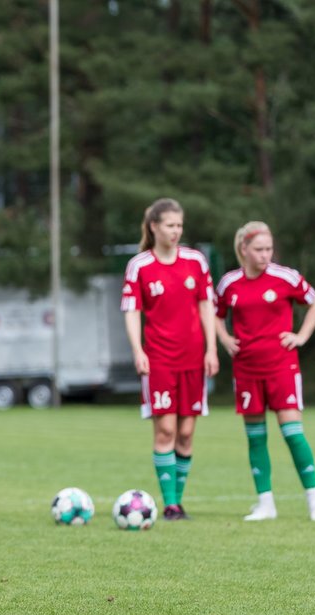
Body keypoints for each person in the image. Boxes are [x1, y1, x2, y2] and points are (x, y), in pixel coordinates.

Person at [215, 221, 315, 522]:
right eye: (259, 249)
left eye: (269, 249)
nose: (266, 255)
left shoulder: (285, 277)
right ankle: (266, 503)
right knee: (256, 437)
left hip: (282, 367)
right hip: (247, 370)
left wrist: (301, 336)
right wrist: (224, 338)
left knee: (293, 433)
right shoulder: (229, 283)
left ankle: (314, 501)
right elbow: (215, 313)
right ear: (244, 250)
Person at [121, 198, 218, 521]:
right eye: (170, 225)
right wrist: (138, 350)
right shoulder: (140, 266)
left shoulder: (196, 261)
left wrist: (211, 349)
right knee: (165, 429)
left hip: (193, 358)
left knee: (187, 433)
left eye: (179, 226)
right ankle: (171, 504)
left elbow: (207, 306)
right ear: (154, 227)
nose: (176, 231)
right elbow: (132, 311)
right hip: (159, 358)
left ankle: (178, 499)